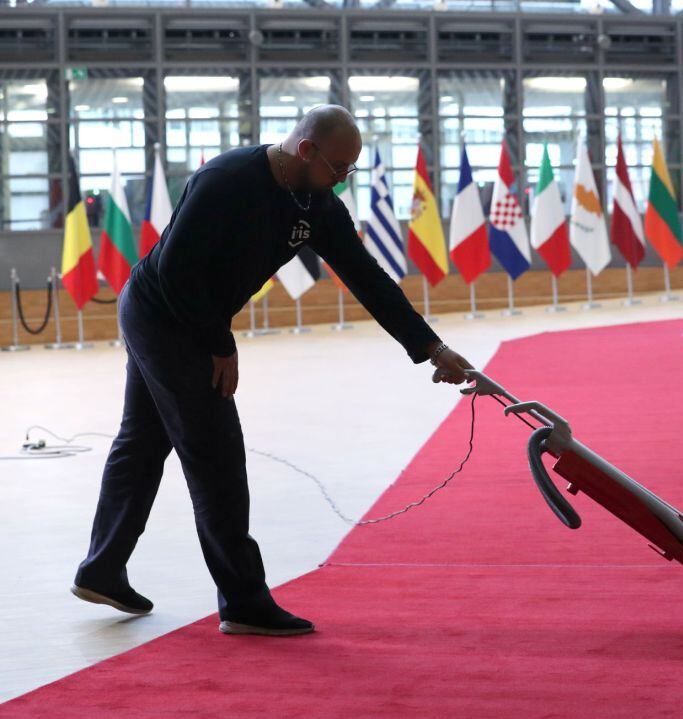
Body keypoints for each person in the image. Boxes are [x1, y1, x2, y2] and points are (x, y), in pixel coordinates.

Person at [72, 105, 473, 637]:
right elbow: (176, 272)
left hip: (191, 317)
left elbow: (366, 275)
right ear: (305, 150)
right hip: (164, 313)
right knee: (215, 454)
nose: (342, 181)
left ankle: (101, 569)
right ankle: (243, 601)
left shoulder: (316, 202)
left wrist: (429, 345)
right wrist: (220, 344)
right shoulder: (227, 180)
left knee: (143, 441)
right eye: (338, 168)